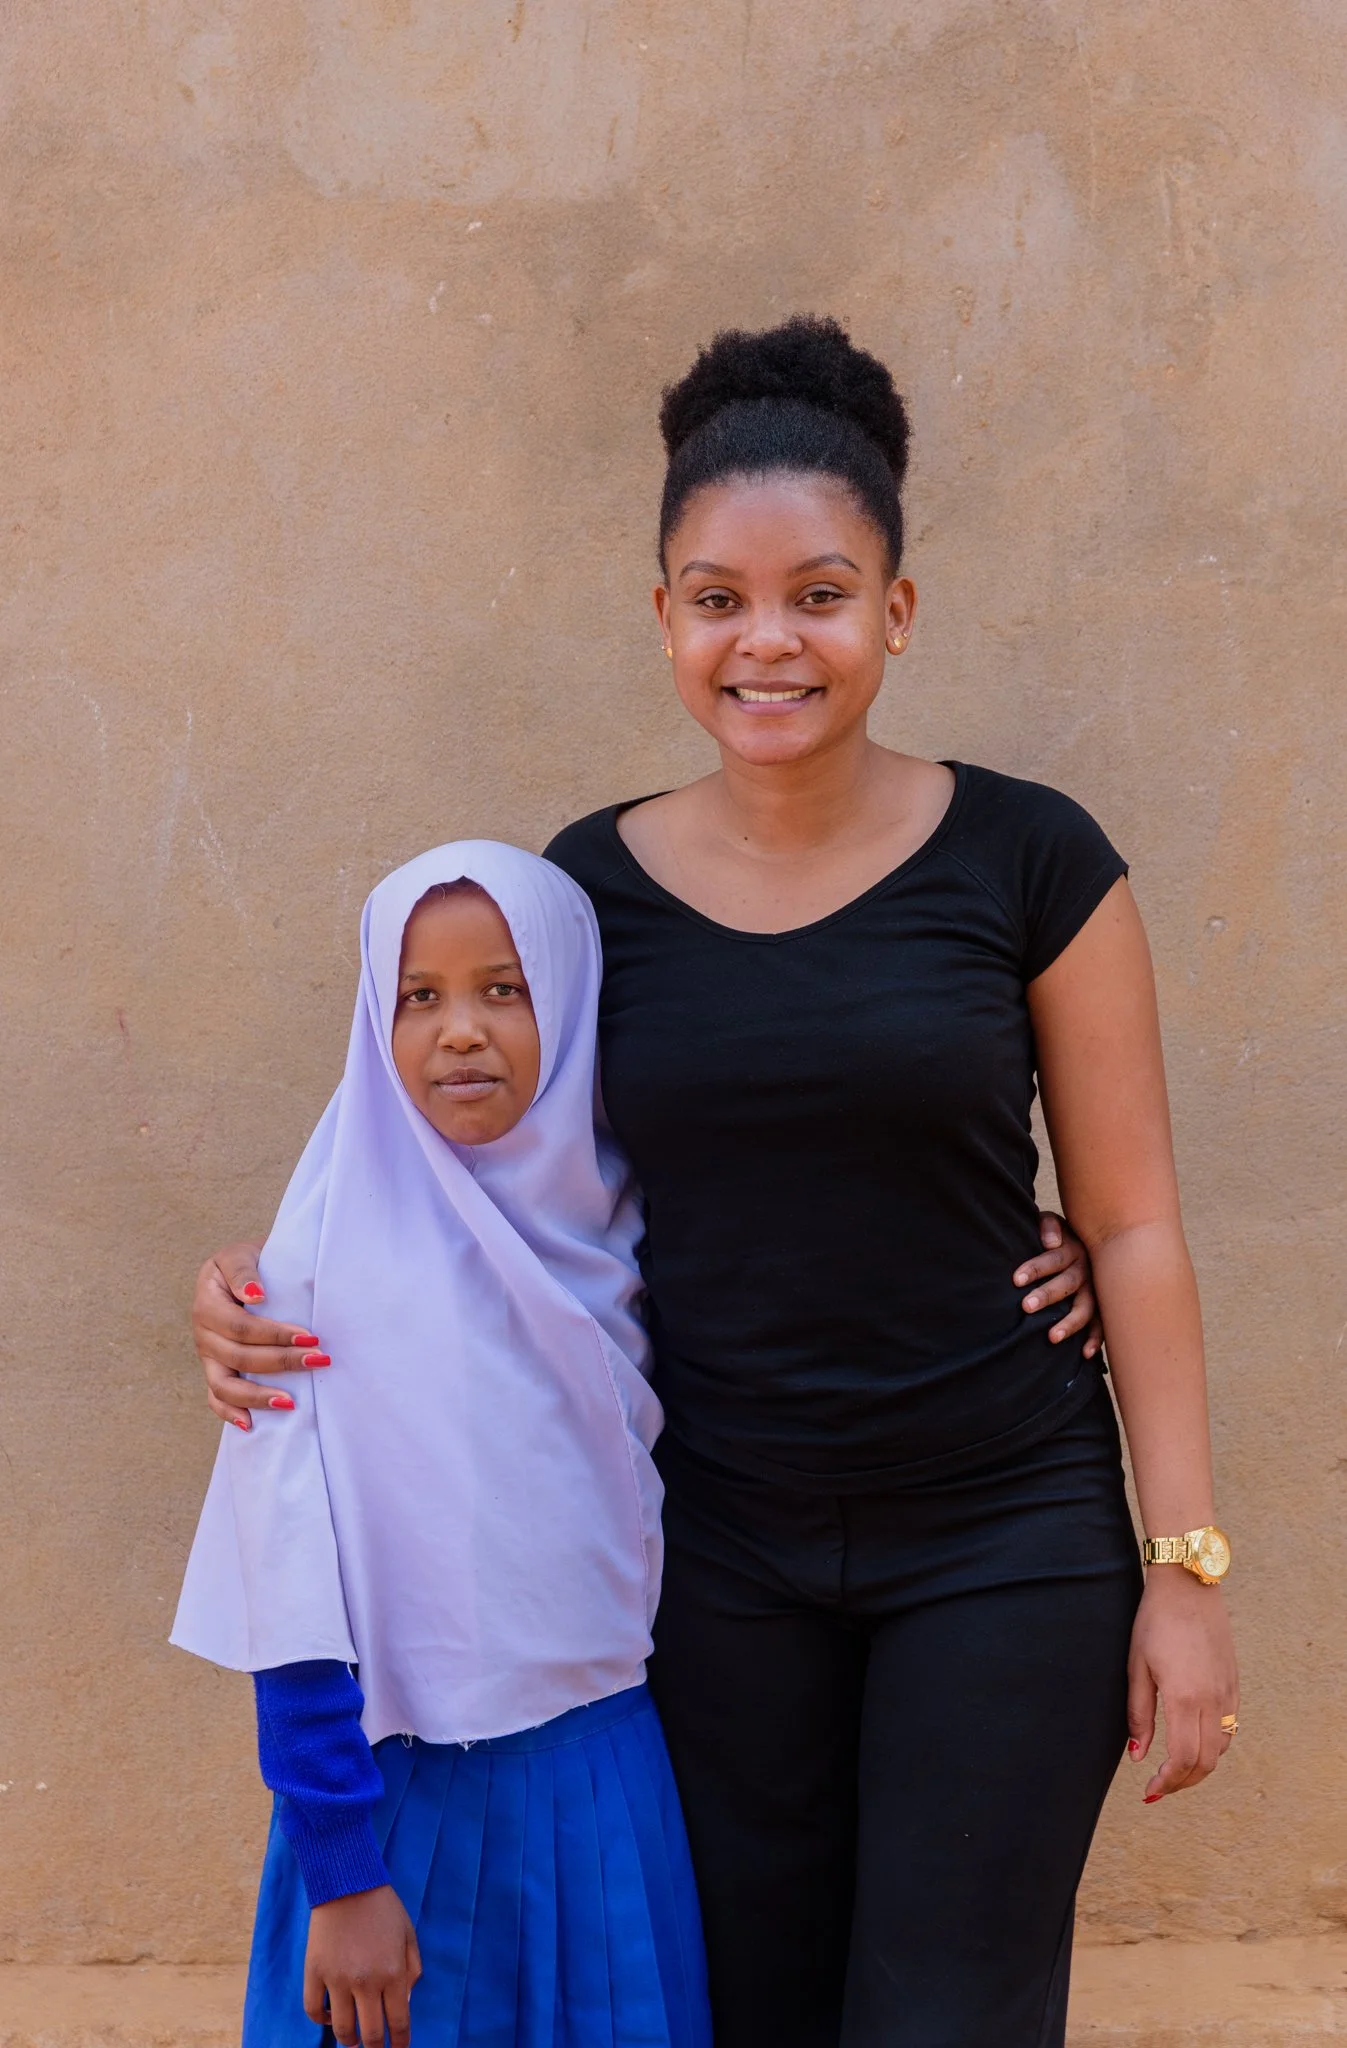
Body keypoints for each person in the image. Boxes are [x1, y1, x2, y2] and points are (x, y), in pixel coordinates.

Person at [188, 317, 1238, 2047]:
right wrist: (255, 1283)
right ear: (663, 616)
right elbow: (466, 1162)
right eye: (716, 597)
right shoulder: (585, 891)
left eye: (818, 593)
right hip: (711, 1555)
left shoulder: (1031, 857)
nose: (769, 639)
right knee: (729, 2004)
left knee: (943, 2014)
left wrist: (1182, 1569)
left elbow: (1129, 1221)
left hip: (1000, 1531)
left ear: (893, 610)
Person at [172, 843, 710, 2048]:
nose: (460, 1030)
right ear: (377, 1016)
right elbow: (293, 1594)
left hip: (603, 1789)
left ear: (568, 1003)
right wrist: (342, 1869)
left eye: (503, 989)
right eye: (420, 995)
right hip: (394, 1808)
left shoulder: (627, 1233)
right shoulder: (315, 1279)